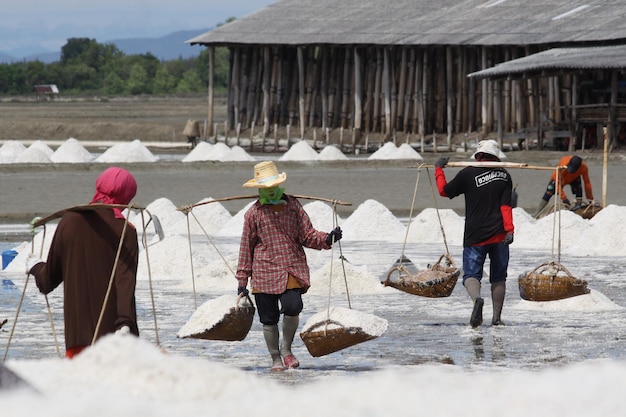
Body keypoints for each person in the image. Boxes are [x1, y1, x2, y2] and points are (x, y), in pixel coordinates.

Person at [235, 161, 342, 371]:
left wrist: (327, 239)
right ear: (260, 189)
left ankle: (286, 350)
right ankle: (275, 358)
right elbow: (245, 248)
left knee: (293, 306)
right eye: (266, 188)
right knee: (269, 318)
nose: (270, 191)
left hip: (291, 267)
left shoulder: (293, 206)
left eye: (273, 187)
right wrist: (242, 282)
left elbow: (307, 234)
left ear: (279, 185)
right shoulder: (253, 213)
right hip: (264, 272)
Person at [27, 167, 140, 358]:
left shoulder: (69, 221)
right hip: (115, 340)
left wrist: (35, 266)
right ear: (127, 197)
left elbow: (47, 282)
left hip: (76, 339)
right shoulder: (125, 231)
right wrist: (125, 323)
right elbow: (125, 282)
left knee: (81, 387)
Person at [434, 140, 514, 327]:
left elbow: (444, 191)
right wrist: (510, 230)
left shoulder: (468, 173)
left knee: (471, 275)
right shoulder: (504, 176)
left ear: (478, 155)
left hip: (475, 235)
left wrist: (439, 169)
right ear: (496, 157)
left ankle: (477, 299)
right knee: (499, 277)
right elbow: (505, 206)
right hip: (500, 235)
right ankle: (496, 318)